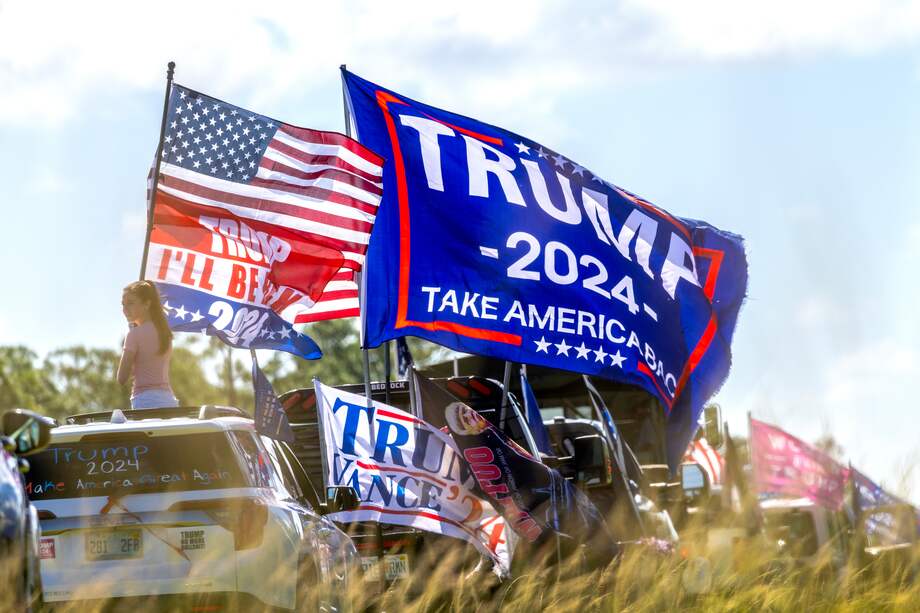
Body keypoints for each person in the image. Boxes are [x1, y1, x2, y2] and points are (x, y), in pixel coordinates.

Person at [116, 281, 178, 409]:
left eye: (131, 303)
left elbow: (121, 378)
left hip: (145, 402)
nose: (125, 309)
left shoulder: (134, 335)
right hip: (169, 401)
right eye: (123, 304)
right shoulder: (165, 332)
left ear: (147, 304)